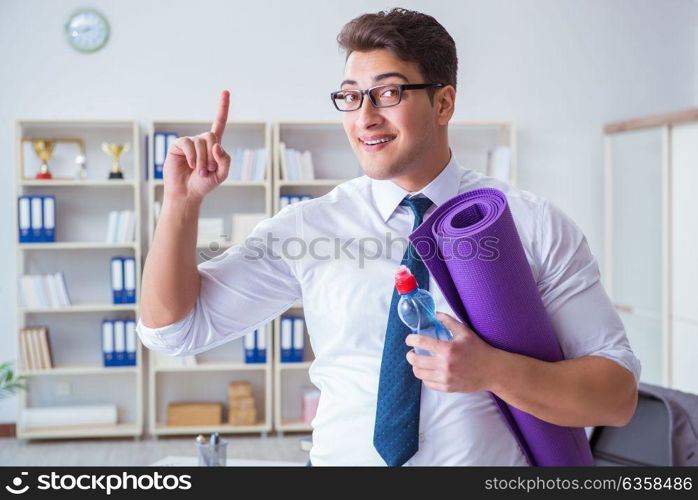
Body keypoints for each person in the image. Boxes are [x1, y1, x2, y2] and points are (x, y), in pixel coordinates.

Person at [137, 8, 640, 466]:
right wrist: (182, 203)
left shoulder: (530, 224)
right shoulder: (309, 228)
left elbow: (616, 398)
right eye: (351, 96)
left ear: (443, 103)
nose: (365, 117)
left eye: (389, 92)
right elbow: (173, 331)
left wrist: (494, 372)